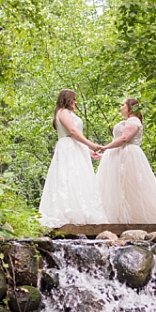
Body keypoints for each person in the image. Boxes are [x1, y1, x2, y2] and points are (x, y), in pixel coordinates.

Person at [95, 98, 156, 224]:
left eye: (122, 105)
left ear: (130, 107)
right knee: (121, 187)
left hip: (129, 156)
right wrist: (105, 156)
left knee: (129, 186)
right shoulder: (129, 121)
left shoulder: (133, 121)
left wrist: (105, 147)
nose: (120, 108)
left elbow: (124, 138)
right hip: (121, 156)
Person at [38, 88, 108, 228]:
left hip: (75, 148)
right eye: (73, 99)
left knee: (79, 179)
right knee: (68, 178)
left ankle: (82, 212)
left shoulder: (68, 113)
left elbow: (74, 136)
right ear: (67, 100)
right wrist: (91, 144)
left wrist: (88, 151)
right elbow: (72, 132)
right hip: (68, 150)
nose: (75, 102)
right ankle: (69, 214)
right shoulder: (63, 112)